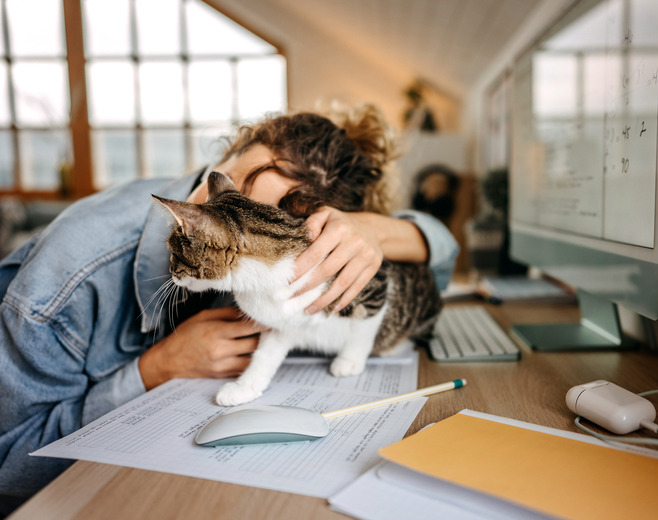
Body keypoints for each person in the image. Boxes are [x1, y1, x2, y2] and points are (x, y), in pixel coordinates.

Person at [0, 104, 459, 514]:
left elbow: (438, 269)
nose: (228, 240)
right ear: (230, 152)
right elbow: (7, 461)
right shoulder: (66, 282)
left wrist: (376, 232)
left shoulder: (287, 251)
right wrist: (153, 370)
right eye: (234, 195)